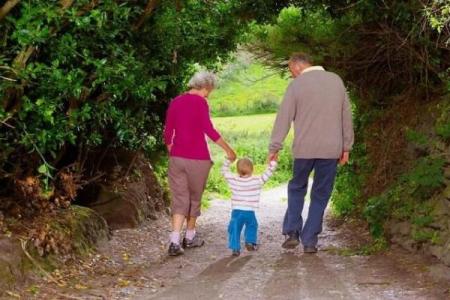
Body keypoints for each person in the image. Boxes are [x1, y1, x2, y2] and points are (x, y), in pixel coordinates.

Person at [267, 53, 354, 253]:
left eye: (291, 72)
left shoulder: (296, 86)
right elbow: (346, 117)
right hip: (331, 149)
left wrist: (275, 148)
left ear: (297, 67)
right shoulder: (336, 81)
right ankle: (310, 240)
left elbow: (284, 118)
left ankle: (292, 232)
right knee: (321, 194)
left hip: (304, 149)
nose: (293, 76)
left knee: (297, 188)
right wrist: (346, 147)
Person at [164, 71, 236, 256]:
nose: (209, 94)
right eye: (209, 90)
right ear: (206, 87)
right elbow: (208, 130)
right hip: (198, 159)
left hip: (177, 159)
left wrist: (173, 151)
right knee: (194, 198)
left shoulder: (175, 101)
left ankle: (174, 241)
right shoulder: (201, 102)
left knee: (180, 199)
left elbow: (168, 132)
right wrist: (228, 150)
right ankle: (189, 237)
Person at [221, 157, 277, 256]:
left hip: (237, 211)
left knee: (234, 228)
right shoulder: (257, 180)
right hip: (249, 211)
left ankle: (235, 248)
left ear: (237, 170)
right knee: (252, 225)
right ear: (252, 169)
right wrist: (272, 163)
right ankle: (250, 242)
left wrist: (228, 161)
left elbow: (224, 171)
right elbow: (267, 174)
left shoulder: (233, 179)